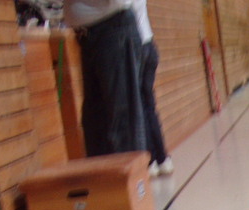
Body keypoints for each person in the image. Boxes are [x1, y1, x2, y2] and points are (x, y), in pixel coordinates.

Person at [64, 0, 146, 157]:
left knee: (123, 127)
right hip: (92, 34)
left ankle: (130, 172)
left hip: (112, 28)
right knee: (96, 130)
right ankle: (109, 174)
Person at [131, 0, 174, 176]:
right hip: (149, 44)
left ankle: (151, 160)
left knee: (139, 108)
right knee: (148, 106)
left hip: (137, 47)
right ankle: (162, 159)